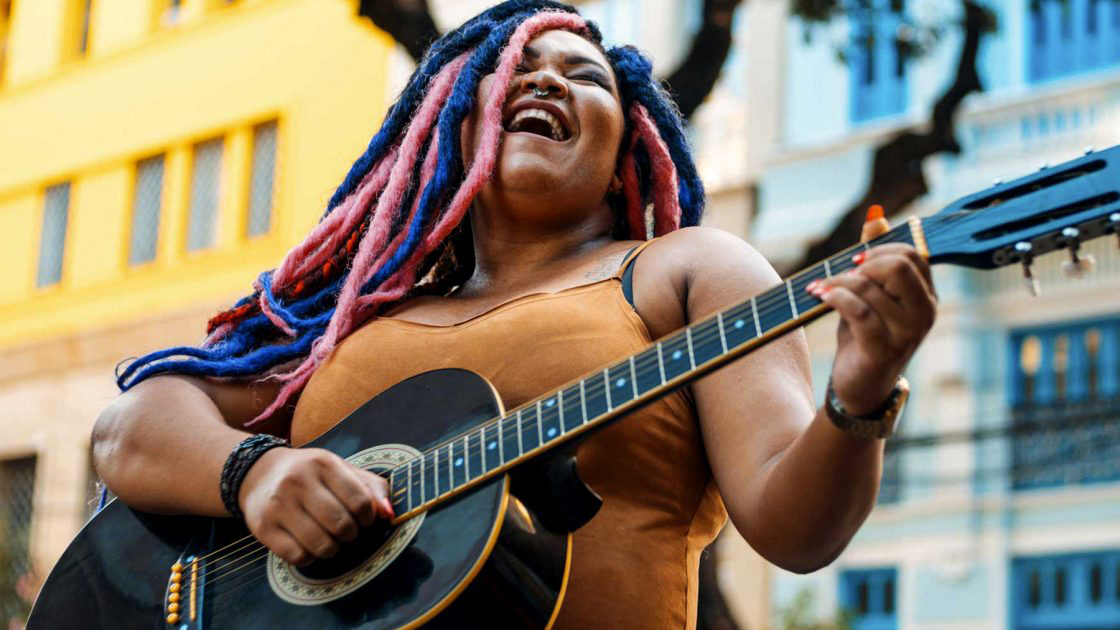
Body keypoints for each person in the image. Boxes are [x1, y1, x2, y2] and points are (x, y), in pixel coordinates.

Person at [91, 2, 937, 628]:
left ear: (620, 159)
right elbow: (131, 428)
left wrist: (860, 394)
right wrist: (255, 474)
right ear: (452, 128)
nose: (543, 78)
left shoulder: (686, 269)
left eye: (585, 77)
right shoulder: (360, 321)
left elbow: (795, 530)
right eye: (514, 71)